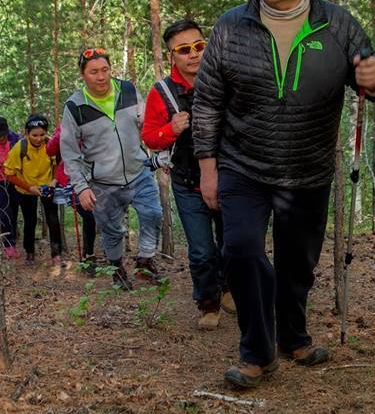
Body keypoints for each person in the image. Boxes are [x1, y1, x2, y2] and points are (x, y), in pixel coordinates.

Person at [193, 0, 375, 388]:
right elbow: (206, 101)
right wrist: (208, 165)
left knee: (297, 262)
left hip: (308, 167)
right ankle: (257, 352)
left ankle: (292, 335)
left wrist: (374, 77)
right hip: (244, 164)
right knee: (241, 249)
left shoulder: (337, 24)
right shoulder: (231, 26)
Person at [143, 19, 235, 330]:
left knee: (232, 241)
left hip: (229, 177)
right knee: (200, 249)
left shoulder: (225, 79)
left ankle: (228, 288)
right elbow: (150, 137)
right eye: (184, 50)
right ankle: (208, 304)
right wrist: (172, 129)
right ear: (172, 55)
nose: (193, 54)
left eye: (199, 46)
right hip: (186, 182)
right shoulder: (162, 92)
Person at [61, 48, 163, 290]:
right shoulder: (75, 106)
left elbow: (146, 123)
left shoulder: (127, 90)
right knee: (112, 230)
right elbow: (69, 153)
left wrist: (160, 152)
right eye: (94, 72)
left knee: (153, 214)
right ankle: (117, 269)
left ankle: (145, 261)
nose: (101, 76)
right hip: (102, 182)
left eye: (105, 70)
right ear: (83, 75)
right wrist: (81, 187)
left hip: (139, 172)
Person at [3, 114, 63, 266]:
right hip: (26, 189)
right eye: (34, 135)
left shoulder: (50, 144)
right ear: (27, 133)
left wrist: (54, 180)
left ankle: (57, 255)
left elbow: (57, 164)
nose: (39, 138)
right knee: (30, 221)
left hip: (47, 186)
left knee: (53, 220)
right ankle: (29, 252)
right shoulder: (19, 148)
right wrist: (30, 187)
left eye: (42, 134)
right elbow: (9, 175)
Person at [47, 124, 97, 276]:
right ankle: (88, 256)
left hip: (96, 175)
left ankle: (90, 255)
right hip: (71, 179)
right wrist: (64, 130)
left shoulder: (94, 122)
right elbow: (50, 150)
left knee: (95, 217)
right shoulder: (63, 128)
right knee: (89, 215)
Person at [0, 116, 21, 258]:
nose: (1, 138)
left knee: (13, 211)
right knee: (3, 212)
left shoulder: (16, 140)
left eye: (3, 134)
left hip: (15, 181)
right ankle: (8, 245)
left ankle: (13, 238)